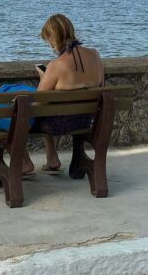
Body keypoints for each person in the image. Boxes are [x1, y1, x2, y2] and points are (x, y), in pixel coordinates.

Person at [27, 13, 105, 175]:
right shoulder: (95, 56)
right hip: (85, 121)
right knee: (52, 110)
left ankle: (27, 162)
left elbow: (39, 103)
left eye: (48, 40)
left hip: (58, 125)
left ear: (53, 38)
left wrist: (44, 77)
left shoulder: (56, 65)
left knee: (24, 115)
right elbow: (101, 87)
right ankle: (56, 159)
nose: (49, 45)